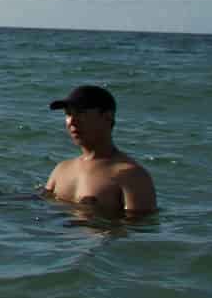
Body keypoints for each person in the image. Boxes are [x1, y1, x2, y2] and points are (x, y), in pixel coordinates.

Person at [44, 85, 157, 215]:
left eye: (80, 113)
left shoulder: (131, 176)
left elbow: (141, 225)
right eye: (68, 114)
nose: (72, 121)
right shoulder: (61, 169)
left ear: (107, 117)